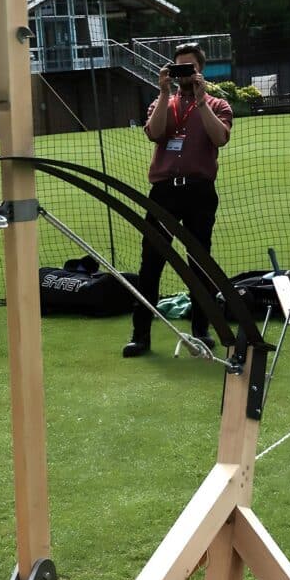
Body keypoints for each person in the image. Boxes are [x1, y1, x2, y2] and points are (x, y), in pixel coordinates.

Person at [123, 43, 233, 358]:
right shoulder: (163, 103)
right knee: (151, 263)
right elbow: (154, 133)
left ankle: (201, 330)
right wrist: (162, 91)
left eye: (190, 68)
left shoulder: (217, 104)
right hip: (164, 191)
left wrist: (201, 103)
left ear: (201, 71)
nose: (184, 74)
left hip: (199, 191)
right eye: (178, 68)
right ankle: (140, 335)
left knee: (199, 262)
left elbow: (220, 138)